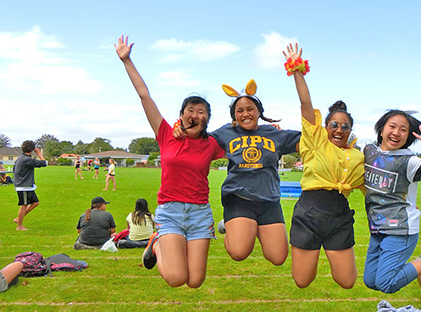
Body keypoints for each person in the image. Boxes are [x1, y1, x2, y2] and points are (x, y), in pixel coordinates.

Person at [116, 35, 225, 288]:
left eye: (201, 112)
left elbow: (243, 141)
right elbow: (145, 97)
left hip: (200, 214)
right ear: (182, 115)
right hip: (171, 212)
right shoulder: (166, 133)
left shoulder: (213, 144)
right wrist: (127, 60)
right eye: (190, 110)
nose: (195, 115)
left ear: (207, 119)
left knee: (195, 281)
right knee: (177, 279)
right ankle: (155, 243)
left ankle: (158, 244)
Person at [173, 80, 301, 266]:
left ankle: (243, 228)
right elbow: (198, 138)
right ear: (234, 115)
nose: (245, 114)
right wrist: (180, 127)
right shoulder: (226, 132)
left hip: (269, 199)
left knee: (278, 257)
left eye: (250, 109)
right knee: (239, 252)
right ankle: (232, 226)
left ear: (259, 111)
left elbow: (309, 139)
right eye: (239, 111)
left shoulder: (274, 134)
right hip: (239, 198)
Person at [283, 43, 364, 289]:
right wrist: (297, 70)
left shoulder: (357, 156)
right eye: (335, 125)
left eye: (345, 126)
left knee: (347, 281)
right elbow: (305, 104)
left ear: (350, 131)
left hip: (339, 215)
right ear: (325, 127)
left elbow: (368, 187)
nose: (339, 130)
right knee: (302, 280)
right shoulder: (315, 141)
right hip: (310, 212)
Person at [363, 109, 421, 294]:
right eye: (392, 126)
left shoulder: (410, 161)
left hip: (401, 229)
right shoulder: (369, 152)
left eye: (403, 129)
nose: (396, 133)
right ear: (381, 130)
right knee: (370, 281)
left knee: (386, 283)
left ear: (408, 137)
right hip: (377, 227)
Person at [13, 140, 47, 231]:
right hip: (23, 185)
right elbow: (43, 163)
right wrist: (39, 153)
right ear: (32, 149)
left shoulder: (21, 157)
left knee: (35, 203)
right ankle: (19, 226)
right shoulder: (27, 159)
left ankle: (18, 219)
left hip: (26, 185)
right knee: (24, 205)